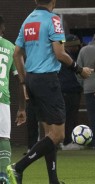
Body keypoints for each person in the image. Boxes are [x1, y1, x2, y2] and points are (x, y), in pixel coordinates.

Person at [6, 1, 92, 184]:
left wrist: (23, 81)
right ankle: (17, 168)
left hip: (31, 80)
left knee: (48, 134)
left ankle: (53, 180)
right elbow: (60, 53)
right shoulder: (53, 20)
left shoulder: (28, 20)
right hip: (47, 80)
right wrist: (79, 69)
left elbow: (17, 53)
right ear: (53, 1)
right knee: (58, 135)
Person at [0, 15, 26, 184]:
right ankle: (2, 175)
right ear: (2, 28)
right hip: (2, 99)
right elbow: (21, 79)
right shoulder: (11, 48)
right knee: (3, 138)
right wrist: (22, 108)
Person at [58, 34, 83, 151]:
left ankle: (68, 140)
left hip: (68, 90)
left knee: (69, 116)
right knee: (69, 117)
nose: (78, 48)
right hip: (68, 90)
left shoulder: (68, 55)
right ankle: (68, 141)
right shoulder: (66, 57)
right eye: (76, 46)